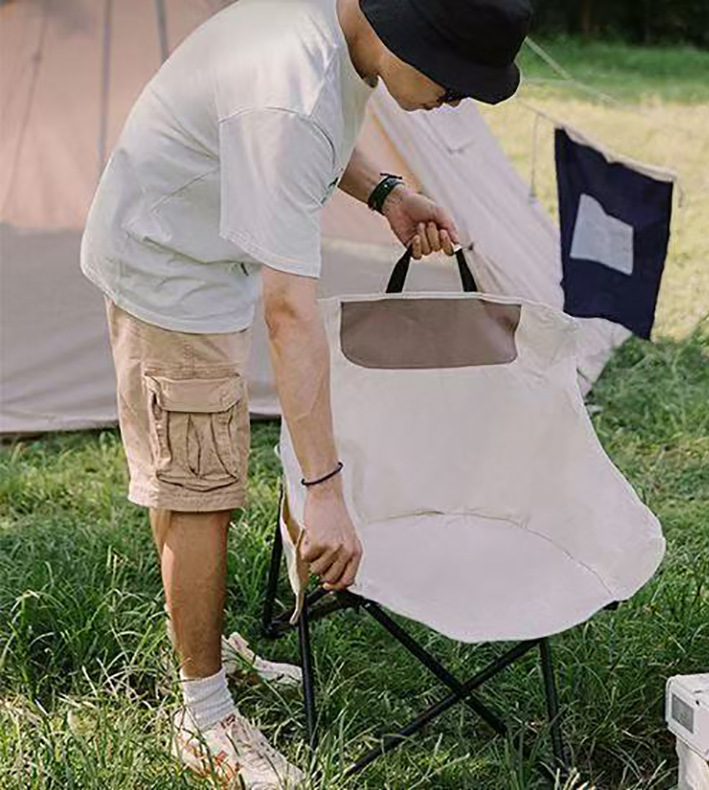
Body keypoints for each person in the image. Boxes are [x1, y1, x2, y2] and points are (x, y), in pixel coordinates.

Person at [80, 0, 533, 785]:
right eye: (456, 79)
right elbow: (290, 314)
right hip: (168, 271)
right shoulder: (289, 84)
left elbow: (314, 138)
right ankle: (204, 714)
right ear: (408, 36)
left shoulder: (336, 36)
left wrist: (386, 192)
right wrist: (324, 492)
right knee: (200, 490)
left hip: (205, 251)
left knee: (197, 474)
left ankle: (208, 651)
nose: (457, 99)